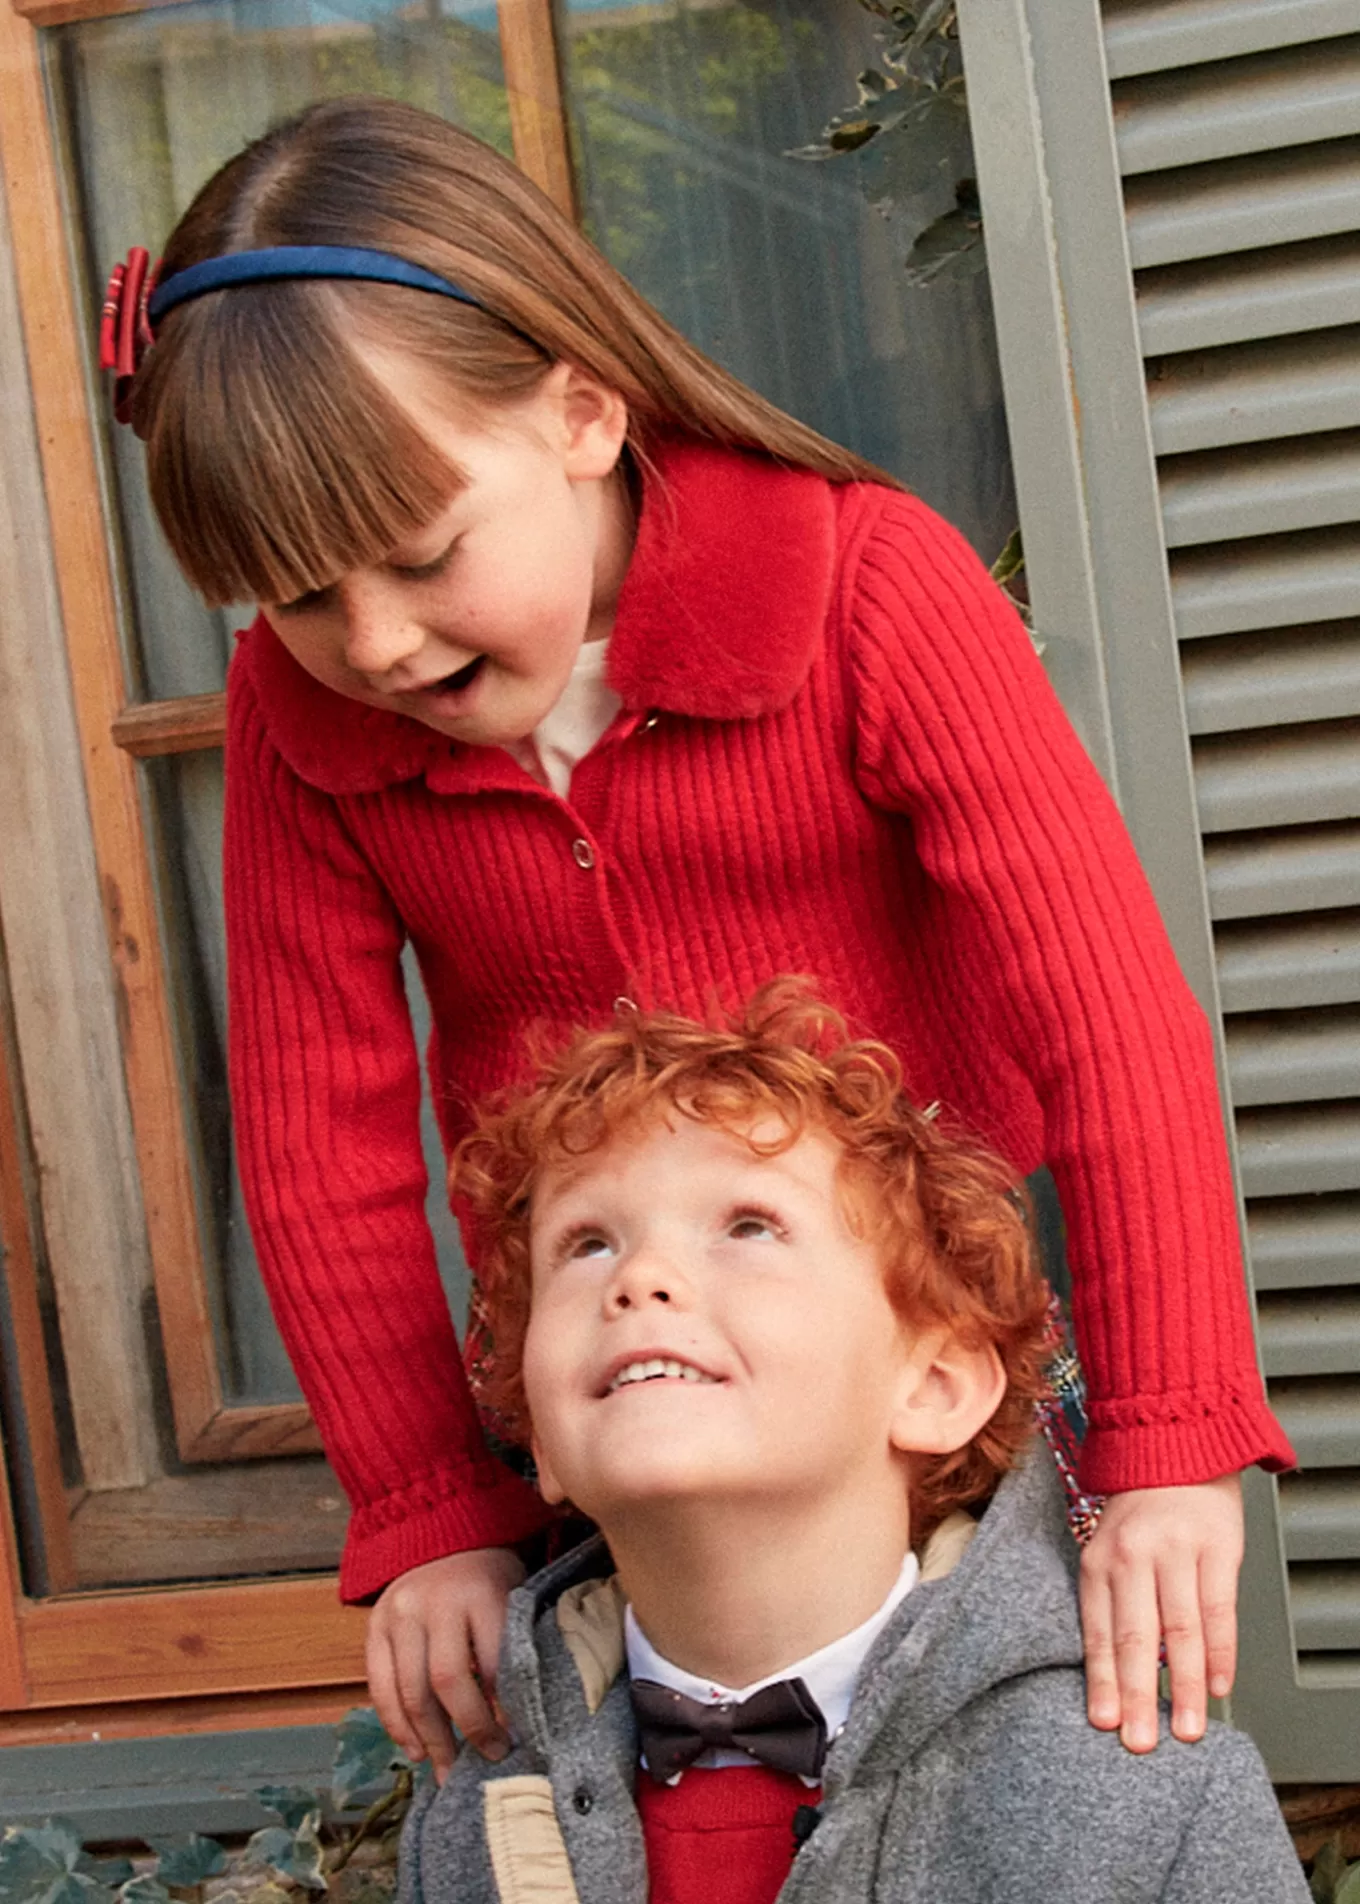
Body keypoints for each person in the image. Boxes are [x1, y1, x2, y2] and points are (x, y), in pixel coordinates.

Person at [101, 93, 1293, 1780]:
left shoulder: (870, 590)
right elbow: (319, 1152)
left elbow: (1111, 1019)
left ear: (582, 410)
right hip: (624, 1395)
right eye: (295, 597)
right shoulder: (307, 722)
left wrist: (1171, 1437)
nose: (366, 638)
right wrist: (432, 1505)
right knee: (647, 1798)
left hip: (934, 1369)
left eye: (419, 553)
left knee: (1043, 1771)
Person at [398, 985, 1307, 1904]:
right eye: (587, 1243)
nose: (640, 1277)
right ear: (541, 1440)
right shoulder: (465, 1830)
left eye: (748, 1225)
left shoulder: (1153, 1808)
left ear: (933, 1387)